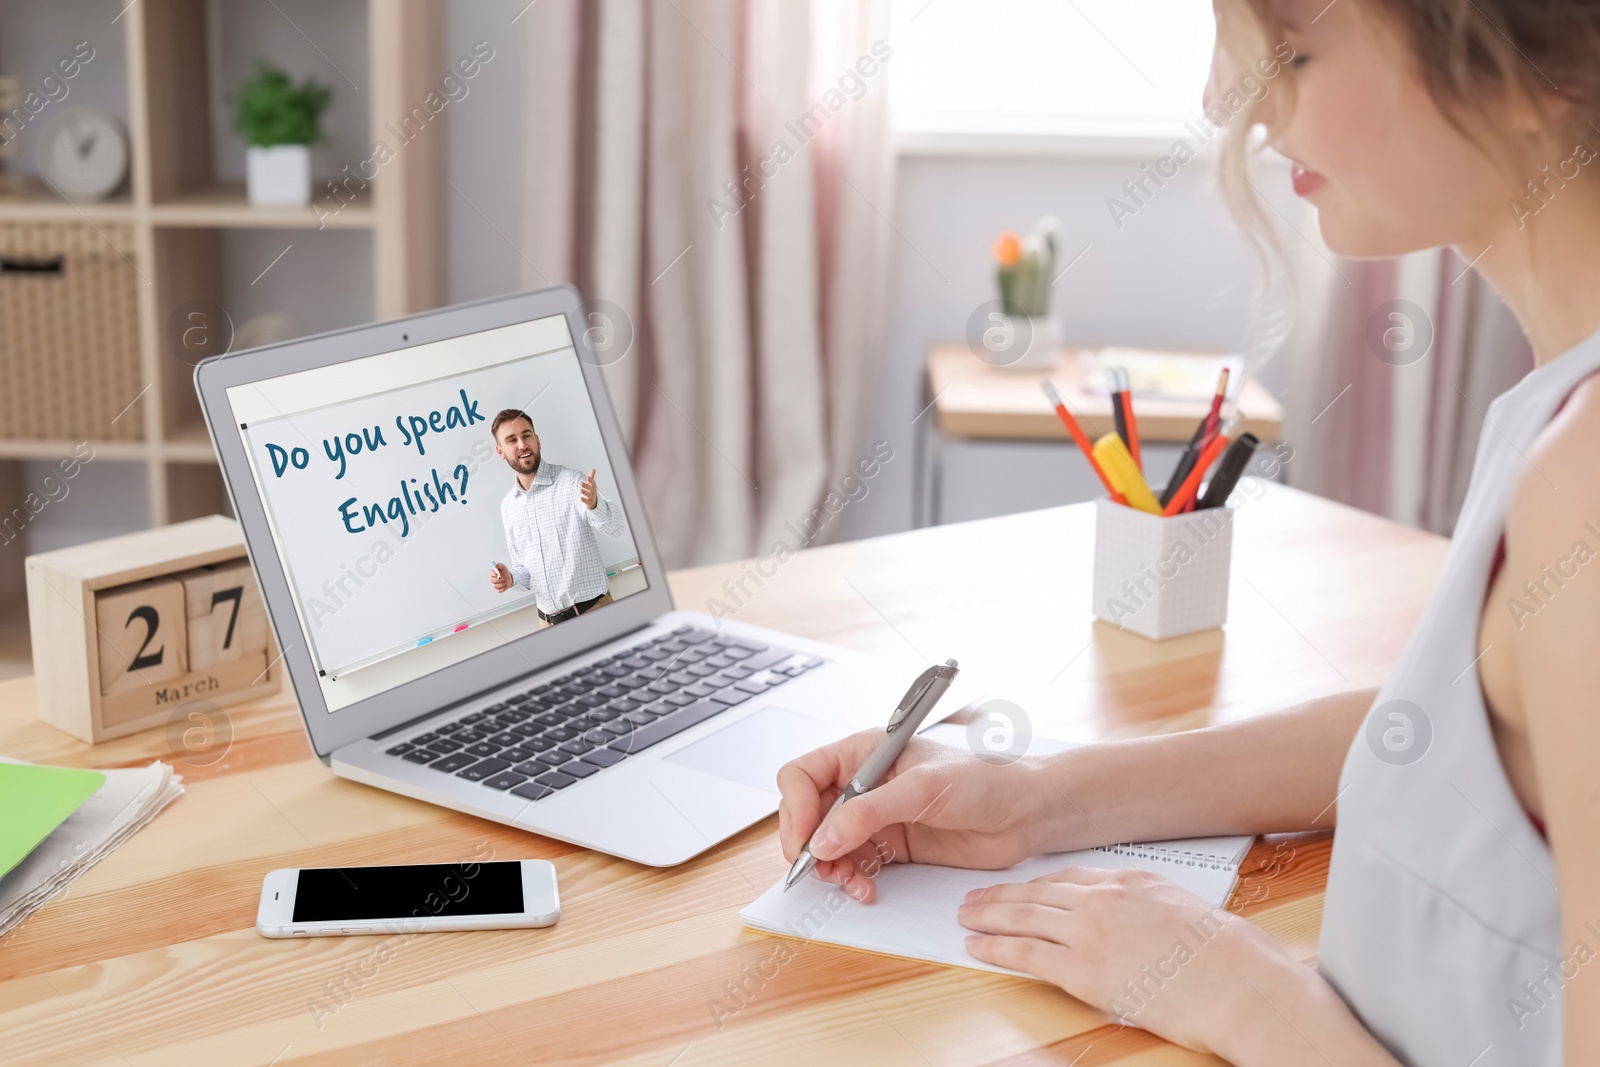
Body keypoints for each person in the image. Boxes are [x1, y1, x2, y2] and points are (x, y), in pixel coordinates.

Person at [778, 1, 1600, 1063]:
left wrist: (1244, 995)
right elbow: (1446, 731)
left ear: (1538, 66)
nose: (1226, 98)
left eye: (1292, 47)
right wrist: (1033, 800)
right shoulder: (1557, 412)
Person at [487, 408, 624, 626]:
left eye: (526, 435)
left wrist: (594, 505)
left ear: (537, 440)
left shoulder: (571, 482)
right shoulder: (508, 506)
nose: (522, 445)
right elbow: (526, 572)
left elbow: (617, 528)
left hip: (594, 613)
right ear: (500, 451)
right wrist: (510, 578)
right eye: (512, 440)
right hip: (547, 624)